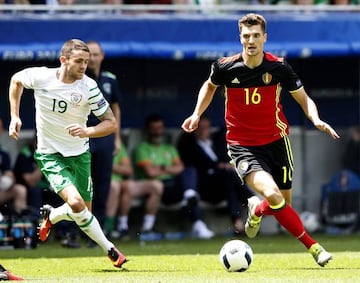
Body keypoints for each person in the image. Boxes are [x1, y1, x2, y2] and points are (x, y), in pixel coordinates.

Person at [181, 13, 340, 267]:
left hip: (277, 142)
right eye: (246, 36)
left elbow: (303, 98)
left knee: (281, 204)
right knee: (274, 195)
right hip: (242, 146)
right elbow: (209, 86)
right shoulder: (225, 67)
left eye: (256, 36)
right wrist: (196, 113)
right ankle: (315, 247)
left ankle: (256, 209)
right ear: (240, 38)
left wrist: (316, 119)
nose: (251, 40)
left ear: (265, 37)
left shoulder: (279, 68)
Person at [8, 39, 126, 268]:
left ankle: (51, 216)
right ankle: (111, 250)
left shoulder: (89, 87)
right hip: (50, 154)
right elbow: (16, 80)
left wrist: (87, 131)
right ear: (64, 60)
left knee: (83, 213)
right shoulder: (41, 76)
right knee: (76, 204)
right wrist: (15, 115)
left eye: (87, 60)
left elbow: (111, 123)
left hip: (80, 154)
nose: (85, 65)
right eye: (80, 61)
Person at [134, 113, 214, 239]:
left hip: (174, 185)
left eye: (159, 128)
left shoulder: (169, 148)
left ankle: (191, 202)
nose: (157, 132)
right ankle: (196, 220)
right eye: (154, 129)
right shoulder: (142, 149)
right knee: (188, 192)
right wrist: (169, 169)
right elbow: (151, 173)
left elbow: (181, 167)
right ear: (148, 130)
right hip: (159, 189)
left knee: (190, 173)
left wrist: (161, 168)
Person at [177, 116, 254, 234]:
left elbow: (228, 127)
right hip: (204, 187)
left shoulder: (214, 144)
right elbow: (197, 164)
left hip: (221, 186)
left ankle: (238, 221)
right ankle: (251, 201)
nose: (203, 131)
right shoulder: (189, 146)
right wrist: (218, 166)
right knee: (228, 176)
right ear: (194, 129)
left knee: (229, 181)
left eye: (206, 128)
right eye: (200, 128)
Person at [86, 40, 122, 231]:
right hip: (83, 135)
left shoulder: (110, 79)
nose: (92, 59)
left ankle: (98, 230)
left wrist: (116, 138)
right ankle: (74, 230)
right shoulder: (79, 79)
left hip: (106, 136)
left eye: (95, 54)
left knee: (103, 184)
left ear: (102, 56)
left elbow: (116, 108)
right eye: (89, 55)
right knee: (83, 184)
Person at [104, 143, 164, 240]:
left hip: (120, 182)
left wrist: (108, 165)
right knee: (114, 186)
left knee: (156, 186)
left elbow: (128, 170)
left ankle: (145, 228)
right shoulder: (93, 143)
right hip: (103, 182)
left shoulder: (117, 146)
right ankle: (108, 228)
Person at [0, 118, 28, 216]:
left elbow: (9, 173)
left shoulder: (3, 153)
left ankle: (21, 224)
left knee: (20, 190)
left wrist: (9, 180)